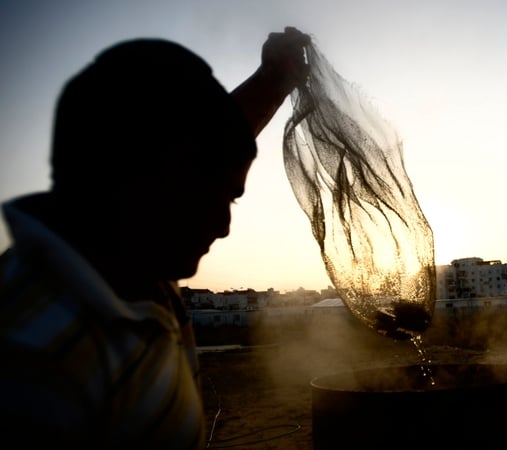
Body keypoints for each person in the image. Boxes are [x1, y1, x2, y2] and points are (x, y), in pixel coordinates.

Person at [0, 26, 310, 449]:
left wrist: (272, 81)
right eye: (203, 200)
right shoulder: (34, 368)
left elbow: (206, 149)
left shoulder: (135, 257)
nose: (222, 226)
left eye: (231, 199)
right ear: (125, 179)